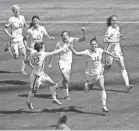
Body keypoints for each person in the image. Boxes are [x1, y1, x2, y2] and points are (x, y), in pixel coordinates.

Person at [69, 36, 120, 112]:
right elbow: (76, 53)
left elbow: (105, 52)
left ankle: (104, 106)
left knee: (102, 87)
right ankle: (87, 85)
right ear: (90, 45)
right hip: (90, 74)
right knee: (89, 88)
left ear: (97, 44)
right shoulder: (87, 52)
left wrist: (114, 55)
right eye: (92, 44)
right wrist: (71, 48)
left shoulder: (99, 50)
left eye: (95, 44)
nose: (94, 46)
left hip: (98, 72)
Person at [26, 41, 66, 110]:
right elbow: (53, 53)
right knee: (33, 91)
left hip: (41, 74)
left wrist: (31, 65)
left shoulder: (33, 53)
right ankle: (28, 101)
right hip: (36, 77)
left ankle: (54, 99)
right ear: (41, 48)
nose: (44, 47)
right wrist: (62, 48)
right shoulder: (42, 54)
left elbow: (25, 60)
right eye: (43, 47)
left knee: (52, 84)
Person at [48, 27, 86, 100]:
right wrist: (50, 63)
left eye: (66, 35)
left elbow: (83, 39)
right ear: (61, 37)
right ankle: (67, 95)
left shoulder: (71, 40)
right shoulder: (59, 44)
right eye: (63, 35)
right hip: (62, 63)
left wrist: (84, 31)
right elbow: (53, 53)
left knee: (65, 80)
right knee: (66, 78)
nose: (65, 36)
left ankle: (56, 86)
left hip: (69, 63)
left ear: (68, 36)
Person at [103, 15, 133, 92]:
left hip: (117, 51)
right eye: (113, 20)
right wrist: (114, 41)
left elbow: (117, 35)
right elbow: (105, 40)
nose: (114, 22)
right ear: (110, 21)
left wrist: (121, 36)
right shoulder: (109, 29)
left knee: (123, 67)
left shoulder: (117, 28)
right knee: (107, 68)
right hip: (110, 52)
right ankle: (96, 77)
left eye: (116, 20)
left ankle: (127, 85)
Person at [3, 4, 28, 74]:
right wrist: (10, 36)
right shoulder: (11, 19)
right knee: (16, 57)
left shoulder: (22, 17)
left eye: (18, 10)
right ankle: (8, 48)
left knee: (24, 54)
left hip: (21, 39)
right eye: (15, 10)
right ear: (13, 11)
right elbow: (5, 29)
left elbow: (25, 25)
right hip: (14, 40)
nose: (17, 11)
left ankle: (22, 69)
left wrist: (32, 26)